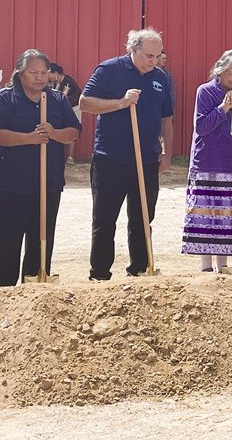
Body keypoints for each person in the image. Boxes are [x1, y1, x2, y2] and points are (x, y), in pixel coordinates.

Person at [80, 28, 173, 280]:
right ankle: (99, 273)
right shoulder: (109, 70)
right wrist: (120, 103)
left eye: (157, 56)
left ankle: (140, 269)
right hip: (110, 159)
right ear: (132, 49)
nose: (152, 61)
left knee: (143, 218)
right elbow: (85, 103)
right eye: (147, 56)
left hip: (146, 160)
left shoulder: (160, 78)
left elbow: (166, 118)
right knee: (105, 219)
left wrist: (167, 152)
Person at [0, 50, 81, 287]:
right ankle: (1, 293)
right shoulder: (5, 98)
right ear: (20, 73)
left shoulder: (57, 99)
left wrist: (54, 133)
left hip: (48, 184)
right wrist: (30, 138)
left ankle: (35, 289)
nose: (39, 78)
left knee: (41, 241)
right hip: (13, 184)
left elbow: (74, 130)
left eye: (43, 72)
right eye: (33, 72)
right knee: (7, 242)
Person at [181, 49, 232, 272]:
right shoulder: (205, 92)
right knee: (210, 215)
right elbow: (202, 127)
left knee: (229, 215)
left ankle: (225, 265)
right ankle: (206, 266)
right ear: (221, 70)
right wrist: (224, 107)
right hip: (209, 163)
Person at [49, 63, 81, 164]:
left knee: (72, 129)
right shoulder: (54, 83)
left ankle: (70, 156)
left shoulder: (68, 81)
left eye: (49, 73)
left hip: (74, 108)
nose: (48, 76)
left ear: (56, 73)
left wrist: (67, 102)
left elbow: (78, 94)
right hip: (63, 109)